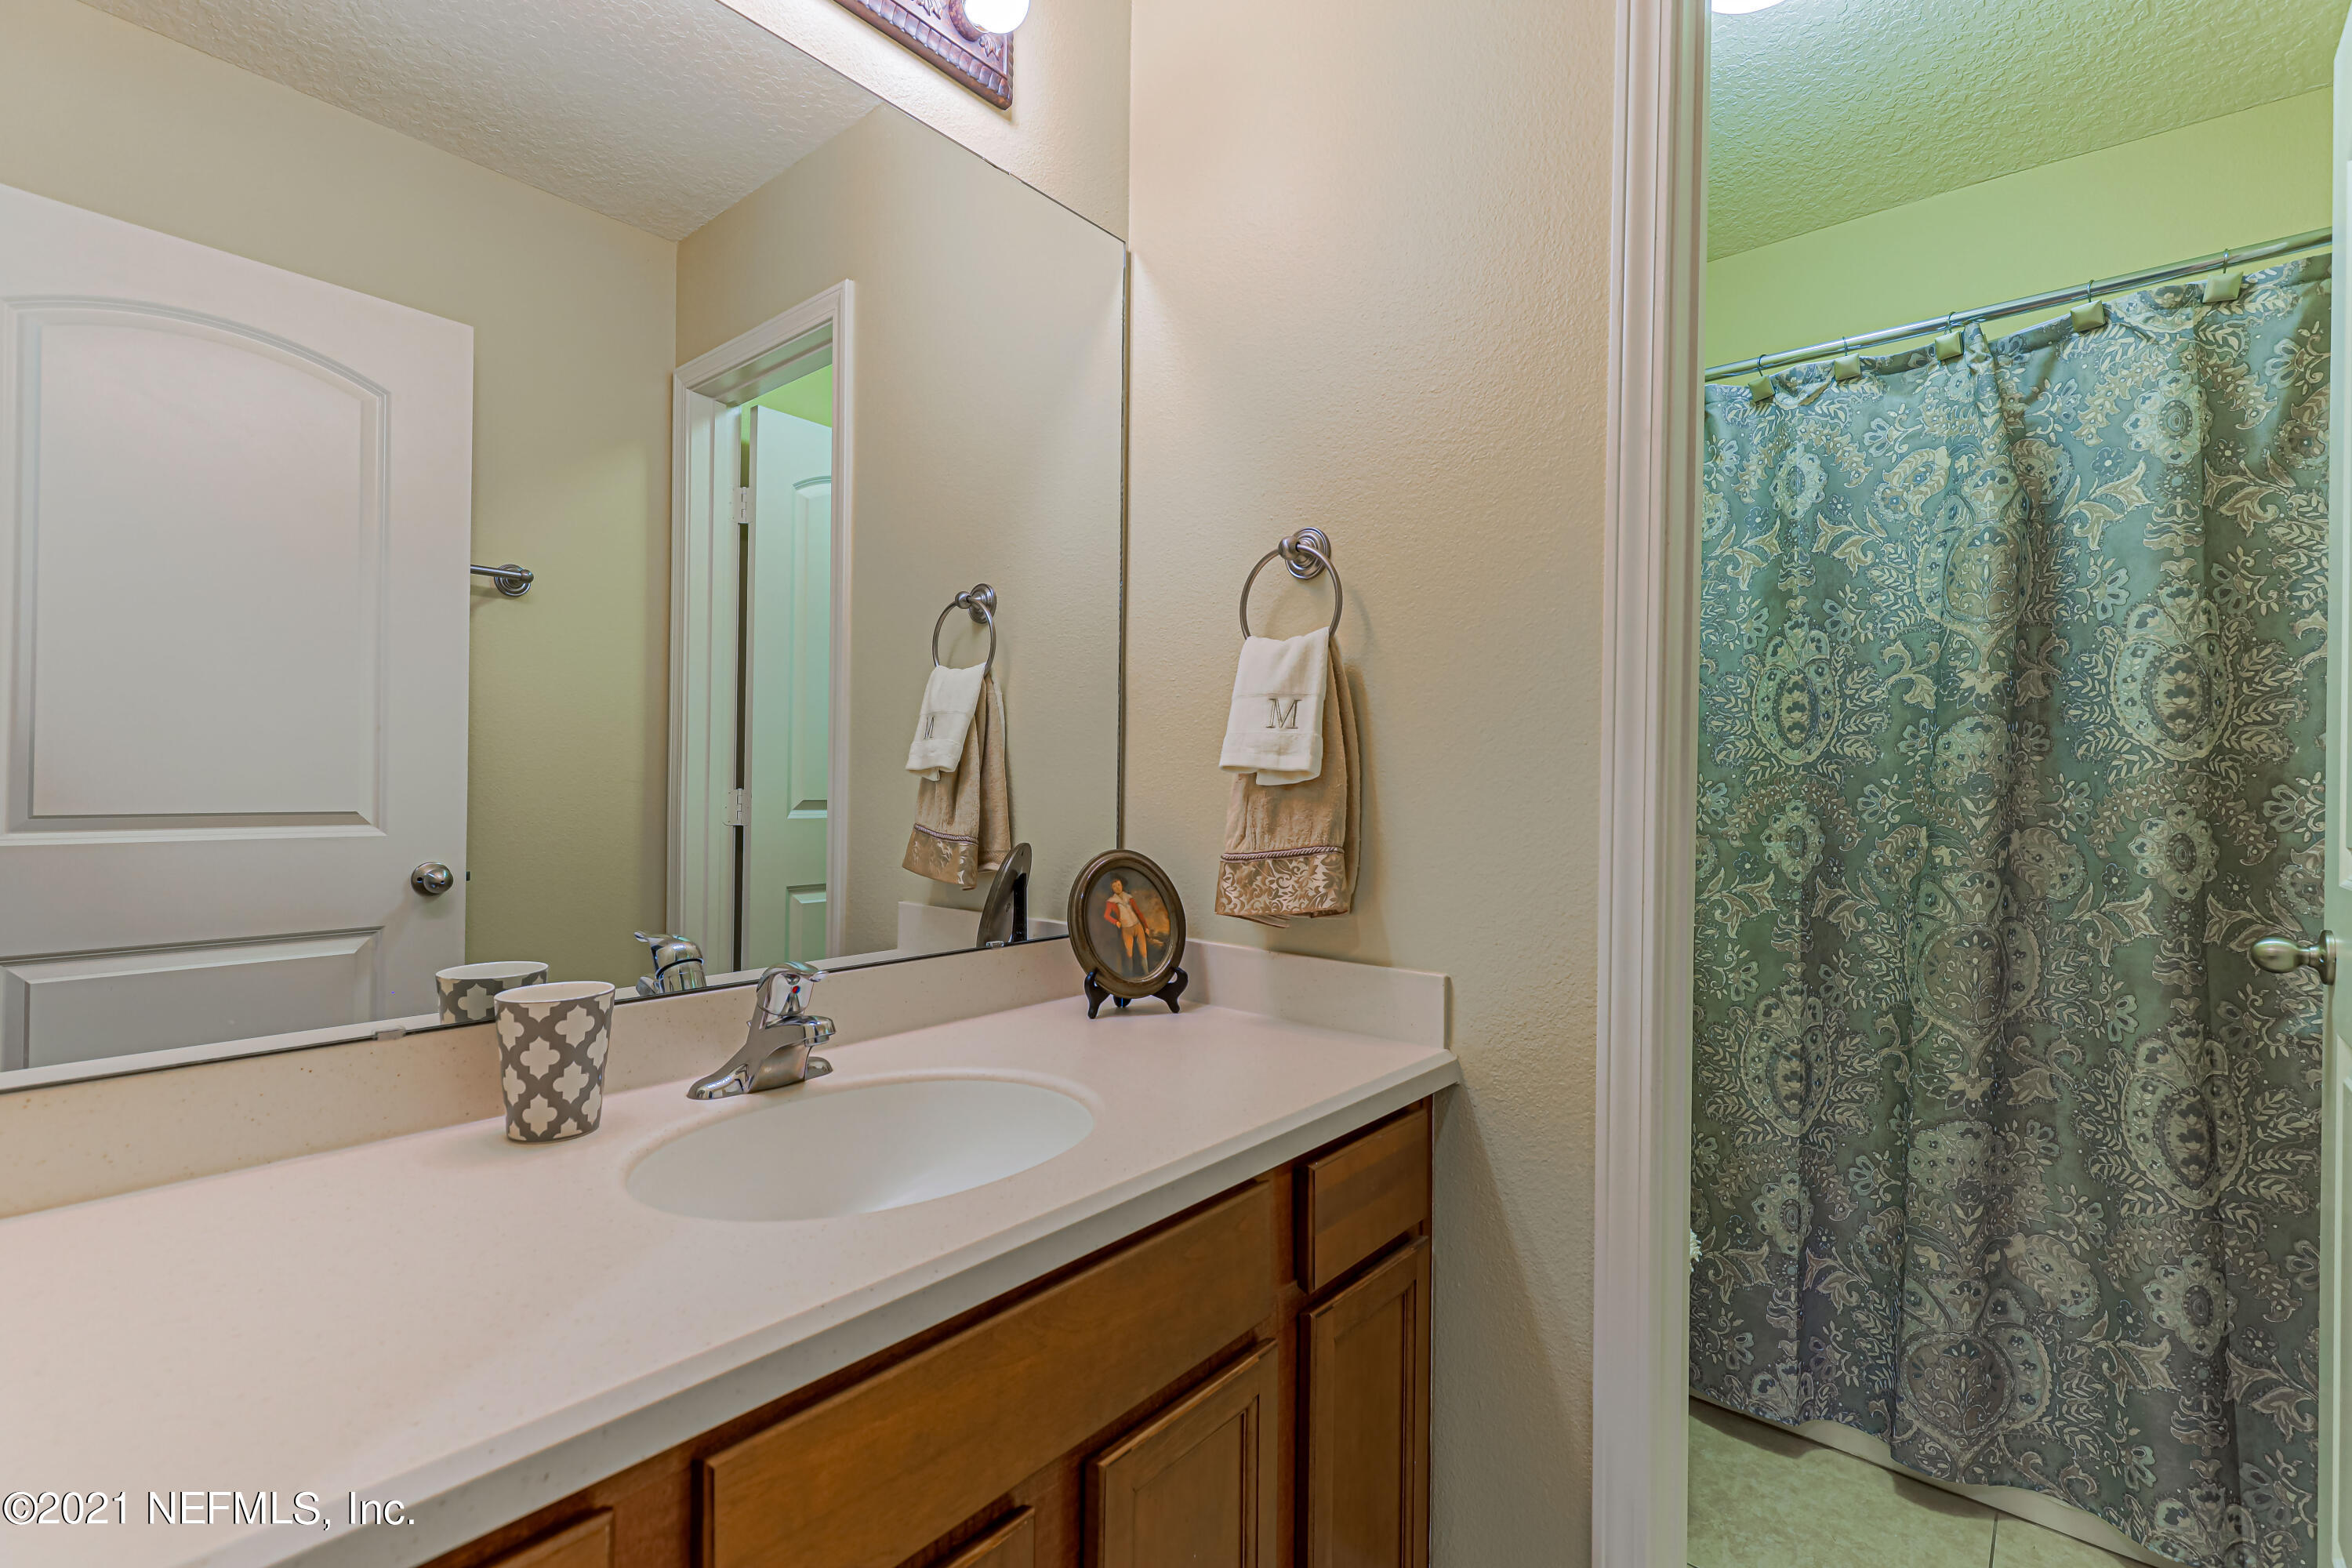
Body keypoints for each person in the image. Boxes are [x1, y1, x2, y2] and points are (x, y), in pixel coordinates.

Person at [1102, 877, 1146, 971]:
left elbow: (1138, 912)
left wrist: (1145, 927)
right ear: (1112, 889)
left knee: (1144, 953)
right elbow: (1106, 915)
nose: (1117, 888)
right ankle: (1130, 976)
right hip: (1126, 929)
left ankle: (1147, 974)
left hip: (1138, 925)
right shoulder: (1111, 901)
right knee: (1129, 954)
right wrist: (1116, 922)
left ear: (1122, 885)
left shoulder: (1129, 897)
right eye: (1114, 886)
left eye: (1119, 885)